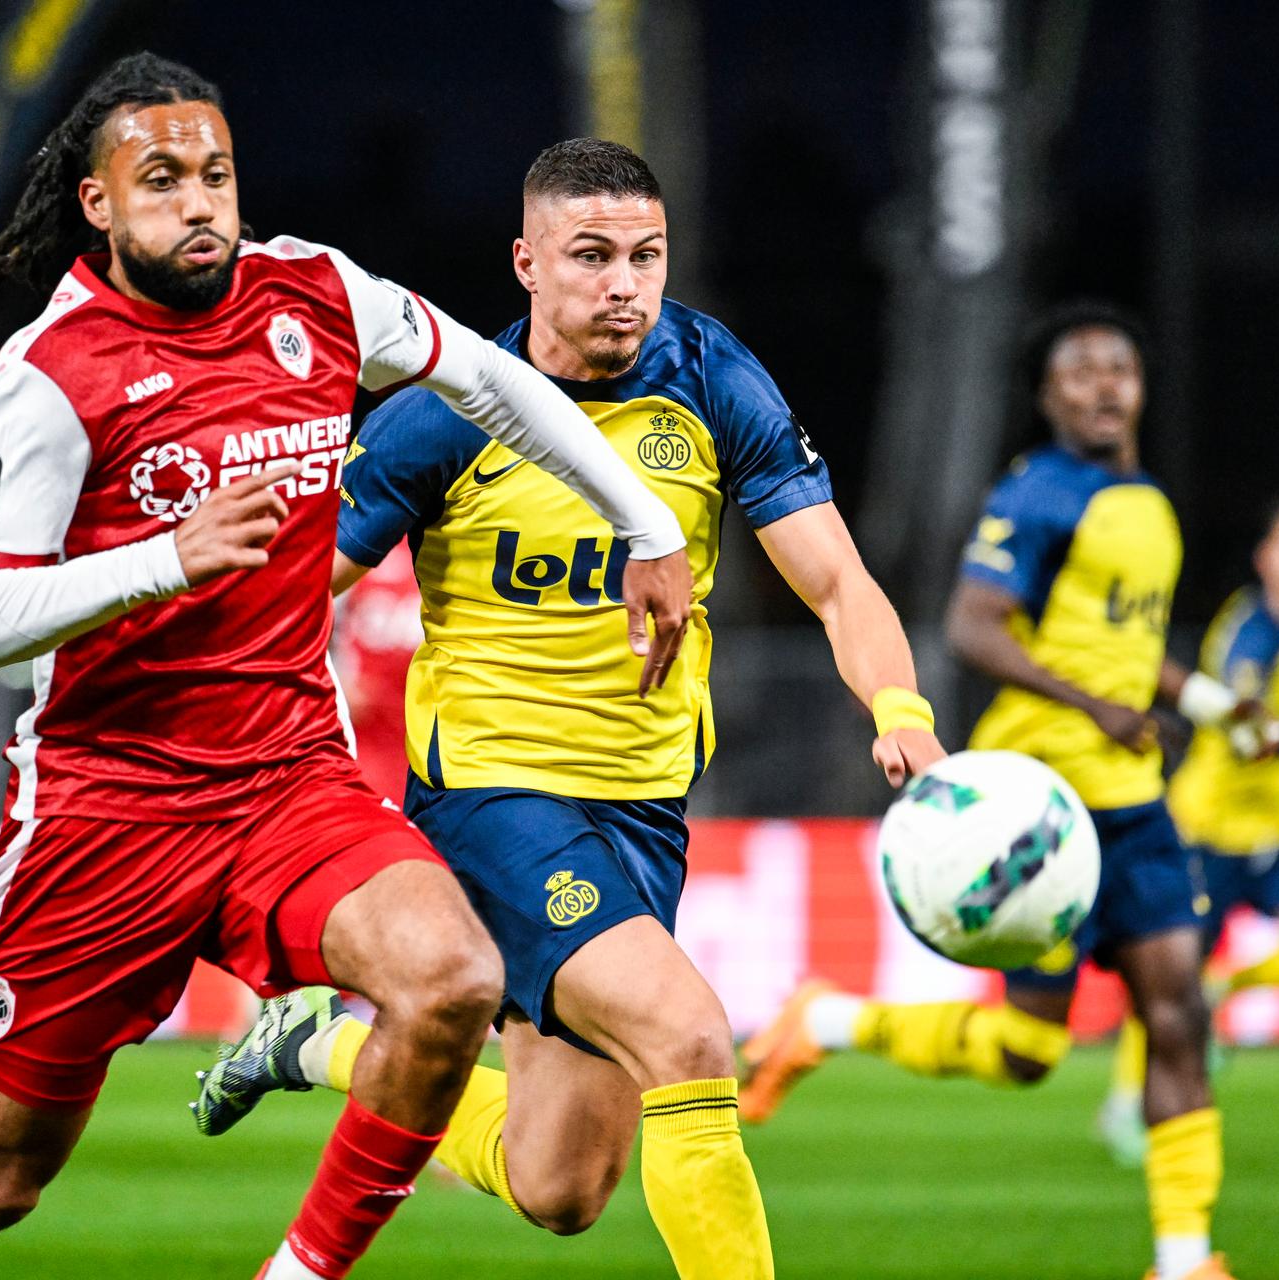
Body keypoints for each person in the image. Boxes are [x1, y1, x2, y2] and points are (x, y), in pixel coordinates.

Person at [0, 56, 694, 1280]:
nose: (201, 203)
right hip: (108, 809)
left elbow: (493, 383)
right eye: (162, 179)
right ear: (100, 204)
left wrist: (646, 524)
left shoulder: (315, 292)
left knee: (450, 980)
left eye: (216, 174)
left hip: (286, 776)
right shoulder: (51, 372)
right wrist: (164, 559)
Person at [190, 138, 944, 1280]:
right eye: (591, 255)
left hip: (643, 811)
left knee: (560, 1182)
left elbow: (837, 583)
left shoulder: (712, 376)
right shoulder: (447, 410)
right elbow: (286, 596)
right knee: (691, 1036)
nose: (624, 283)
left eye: (646, 254)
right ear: (527, 263)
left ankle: (329, 1043)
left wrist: (900, 707)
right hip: (492, 797)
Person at [743, 303, 1275, 1280]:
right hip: (1036, 801)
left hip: (1135, 800)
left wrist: (1210, 701)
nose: (1104, 383)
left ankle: (1186, 1256)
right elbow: (972, 625)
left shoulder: (1147, 503)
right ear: (1047, 395)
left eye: (1119, 366)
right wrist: (1095, 707)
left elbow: (1127, 647)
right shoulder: (1035, 493)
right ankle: (826, 1020)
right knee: (1029, 1050)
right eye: (1079, 372)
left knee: (1178, 1012)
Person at [1095, 493, 1279, 1164]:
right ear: (1267, 558)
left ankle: (1224, 989)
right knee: (1167, 977)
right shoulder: (1247, 633)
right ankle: (1122, 1104)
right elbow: (1249, 737)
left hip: (1278, 830)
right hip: (1210, 829)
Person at [329, 543, 421, 805]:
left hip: (433, 742)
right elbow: (313, 606)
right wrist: (337, 675)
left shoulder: (459, 539)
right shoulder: (362, 537)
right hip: (367, 743)